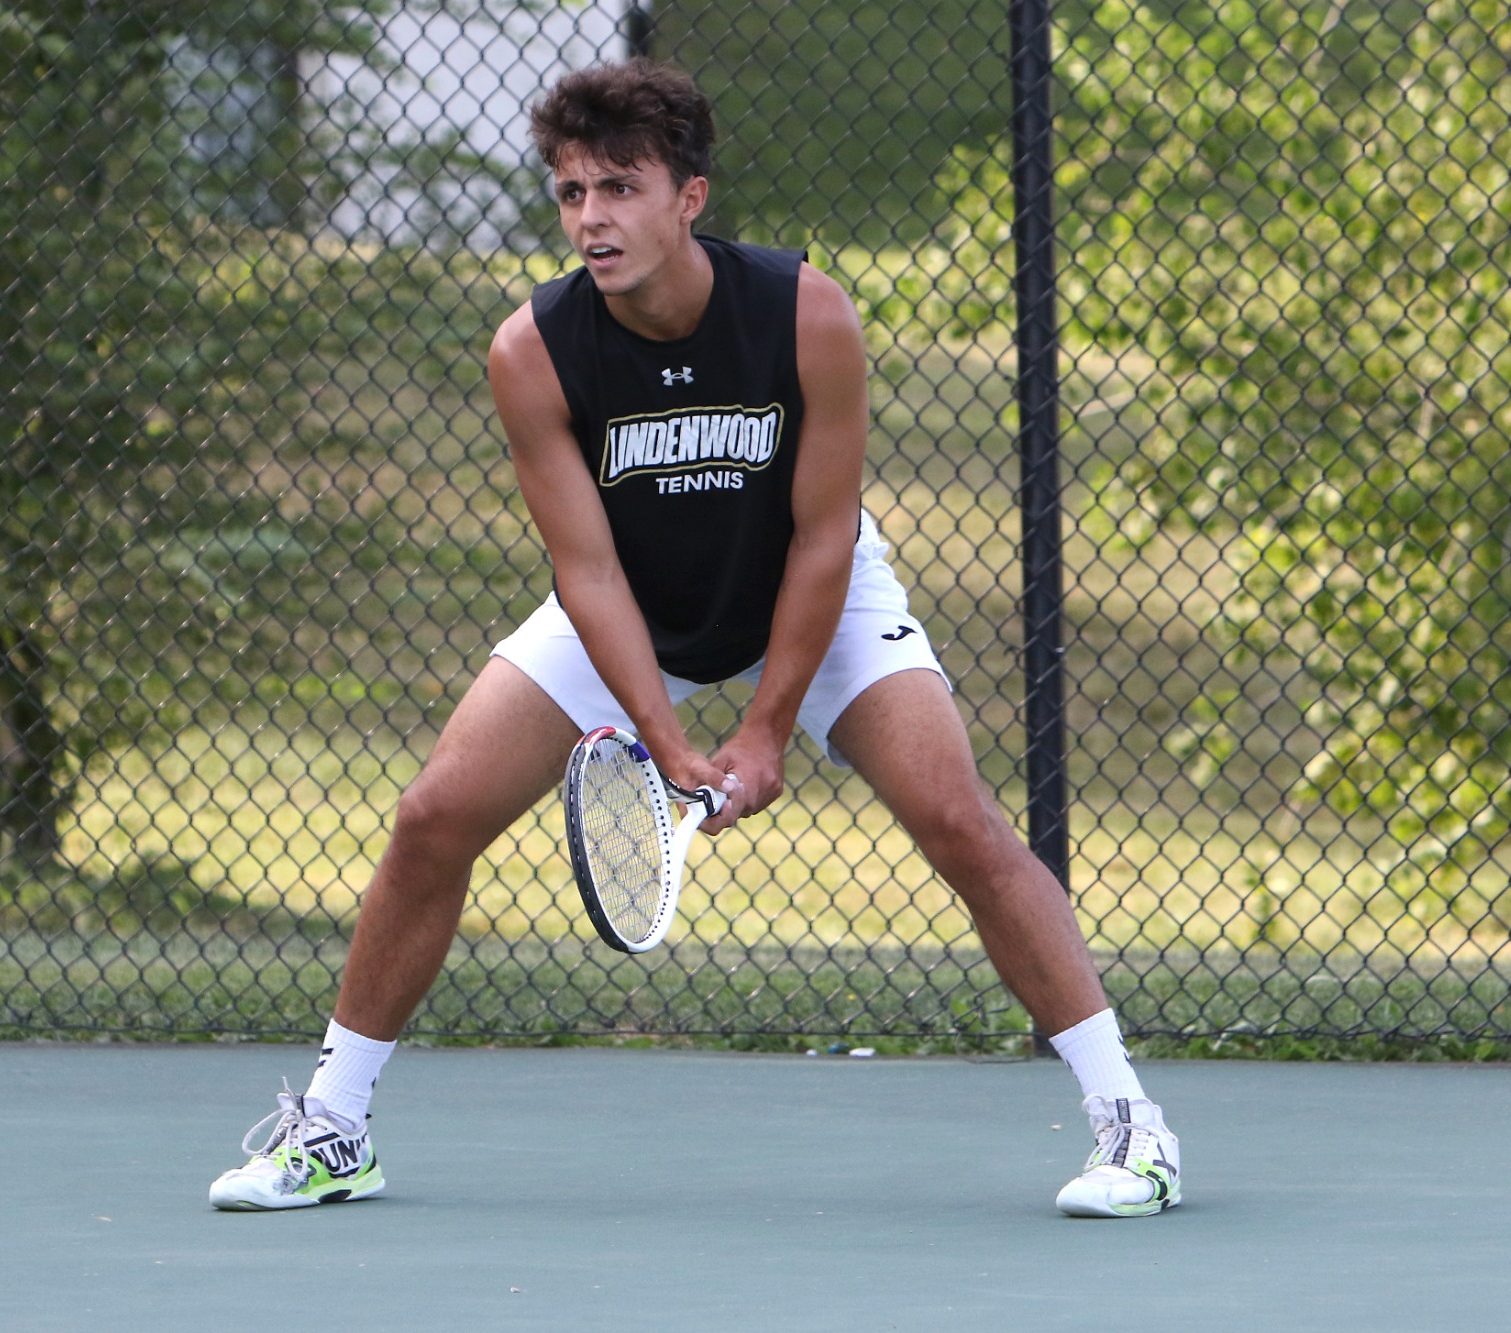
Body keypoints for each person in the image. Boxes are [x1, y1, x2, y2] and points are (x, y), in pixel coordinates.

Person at [208, 59, 1179, 1220]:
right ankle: (332, 1128)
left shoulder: (803, 313)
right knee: (432, 816)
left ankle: (1132, 1125)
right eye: (571, 193)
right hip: (629, 606)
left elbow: (823, 535)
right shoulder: (532, 350)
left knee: (957, 819)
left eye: (619, 188)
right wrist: (662, 737)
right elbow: (586, 570)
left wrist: (766, 728)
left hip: (809, 590)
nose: (591, 218)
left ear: (689, 199)